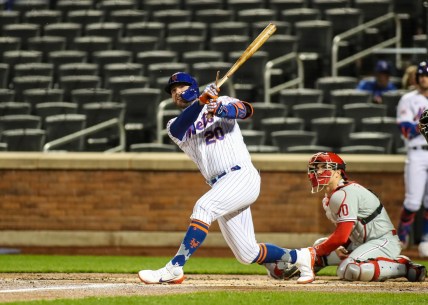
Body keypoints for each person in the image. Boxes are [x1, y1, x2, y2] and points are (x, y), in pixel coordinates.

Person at [137, 72, 314, 284]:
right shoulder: (174, 124)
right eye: (173, 91)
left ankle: (175, 267)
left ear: (192, 87)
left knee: (204, 207)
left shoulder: (221, 101)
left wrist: (222, 109)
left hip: (241, 175)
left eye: (180, 88)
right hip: (221, 185)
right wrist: (201, 102)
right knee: (247, 254)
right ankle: (301, 257)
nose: (176, 93)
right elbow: (179, 127)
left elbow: (246, 110)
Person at [287, 152, 425, 283]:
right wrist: (335, 248)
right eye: (315, 168)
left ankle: (403, 265)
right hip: (362, 242)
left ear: (338, 172)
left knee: (349, 270)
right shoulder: (328, 199)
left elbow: (340, 236)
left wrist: (313, 252)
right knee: (320, 243)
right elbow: (349, 232)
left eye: (324, 167)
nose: (318, 172)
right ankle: (302, 268)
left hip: (383, 241)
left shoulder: (345, 193)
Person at [397, 60, 428, 258]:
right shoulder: (408, 99)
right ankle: (400, 239)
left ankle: (426, 239)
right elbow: (405, 129)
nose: (424, 79)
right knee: (413, 202)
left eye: (427, 75)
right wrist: (423, 125)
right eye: (422, 75)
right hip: (417, 151)